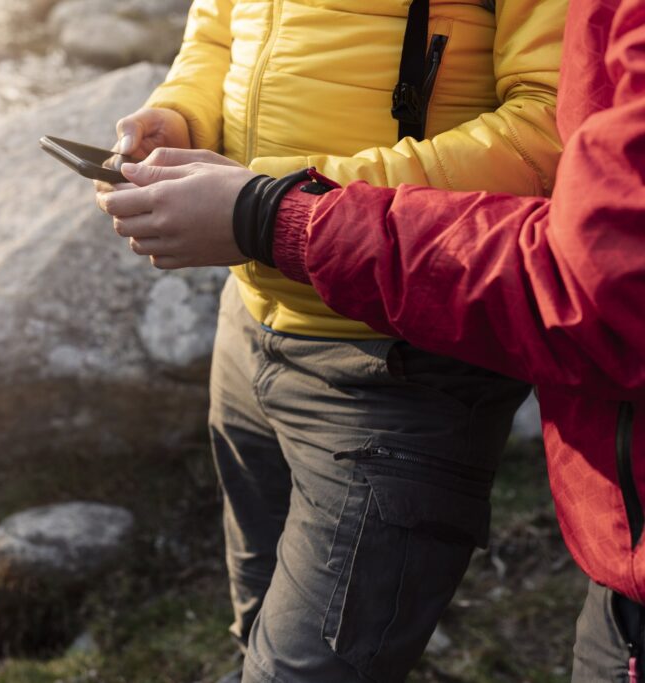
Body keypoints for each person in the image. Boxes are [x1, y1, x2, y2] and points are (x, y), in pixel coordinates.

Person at [97, 0, 645, 678]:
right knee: (258, 622)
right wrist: (181, 111)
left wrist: (280, 203)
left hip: (399, 358)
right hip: (249, 320)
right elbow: (218, 24)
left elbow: (546, 136)